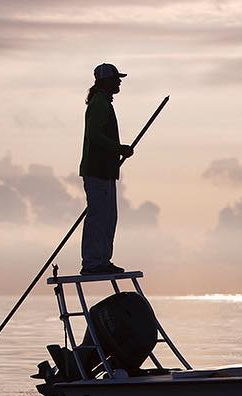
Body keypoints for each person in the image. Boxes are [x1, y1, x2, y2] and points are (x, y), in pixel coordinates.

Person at [79, 63, 134, 275]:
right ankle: (92, 263)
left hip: (106, 171)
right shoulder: (99, 103)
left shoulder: (104, 103)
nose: (119, 81)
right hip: (97, 170)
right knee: (98, 217)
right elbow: (94, 134)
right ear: (105, 81)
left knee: (109, 217)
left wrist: (117, 151)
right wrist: (118, 148)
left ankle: (103, 260)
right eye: (116, 78)